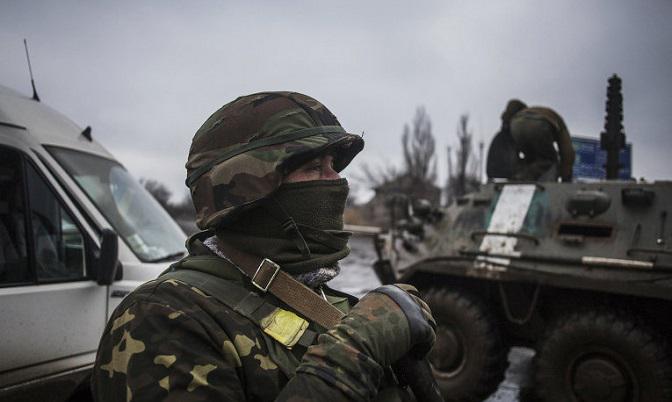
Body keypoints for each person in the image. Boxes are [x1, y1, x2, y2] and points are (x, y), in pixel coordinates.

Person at [92, 91, 436, 402]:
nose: (337, 181)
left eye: (333, 166)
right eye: (314, 167)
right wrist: (355, 351)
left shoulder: (316, 296)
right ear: (247, 191)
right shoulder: (164, 318)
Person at [487, 99, 575, 182]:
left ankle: (521, 177)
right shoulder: (559, 123)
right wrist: (566, 178)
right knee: (550, 161)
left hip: (515, 125)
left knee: (532, 160)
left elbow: (512, 152)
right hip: (537, 124)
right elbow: (567, 152)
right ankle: (544, 184)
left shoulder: (521, 114)